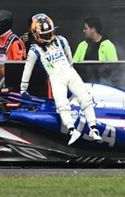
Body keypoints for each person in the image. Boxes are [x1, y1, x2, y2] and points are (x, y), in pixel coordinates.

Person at [20, 13, 100, 145]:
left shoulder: (61, 40)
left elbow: (69, 57)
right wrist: (23, 89)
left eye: (49, 33)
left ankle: (94, 128)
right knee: (62, 105)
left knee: (85, 98)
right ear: (36, 34)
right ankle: (72, 130)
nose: (48, 36)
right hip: (56, 78)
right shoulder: (35, 50)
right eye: (44, 34)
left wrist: (71, 68)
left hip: (69, 73)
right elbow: (27, 69)